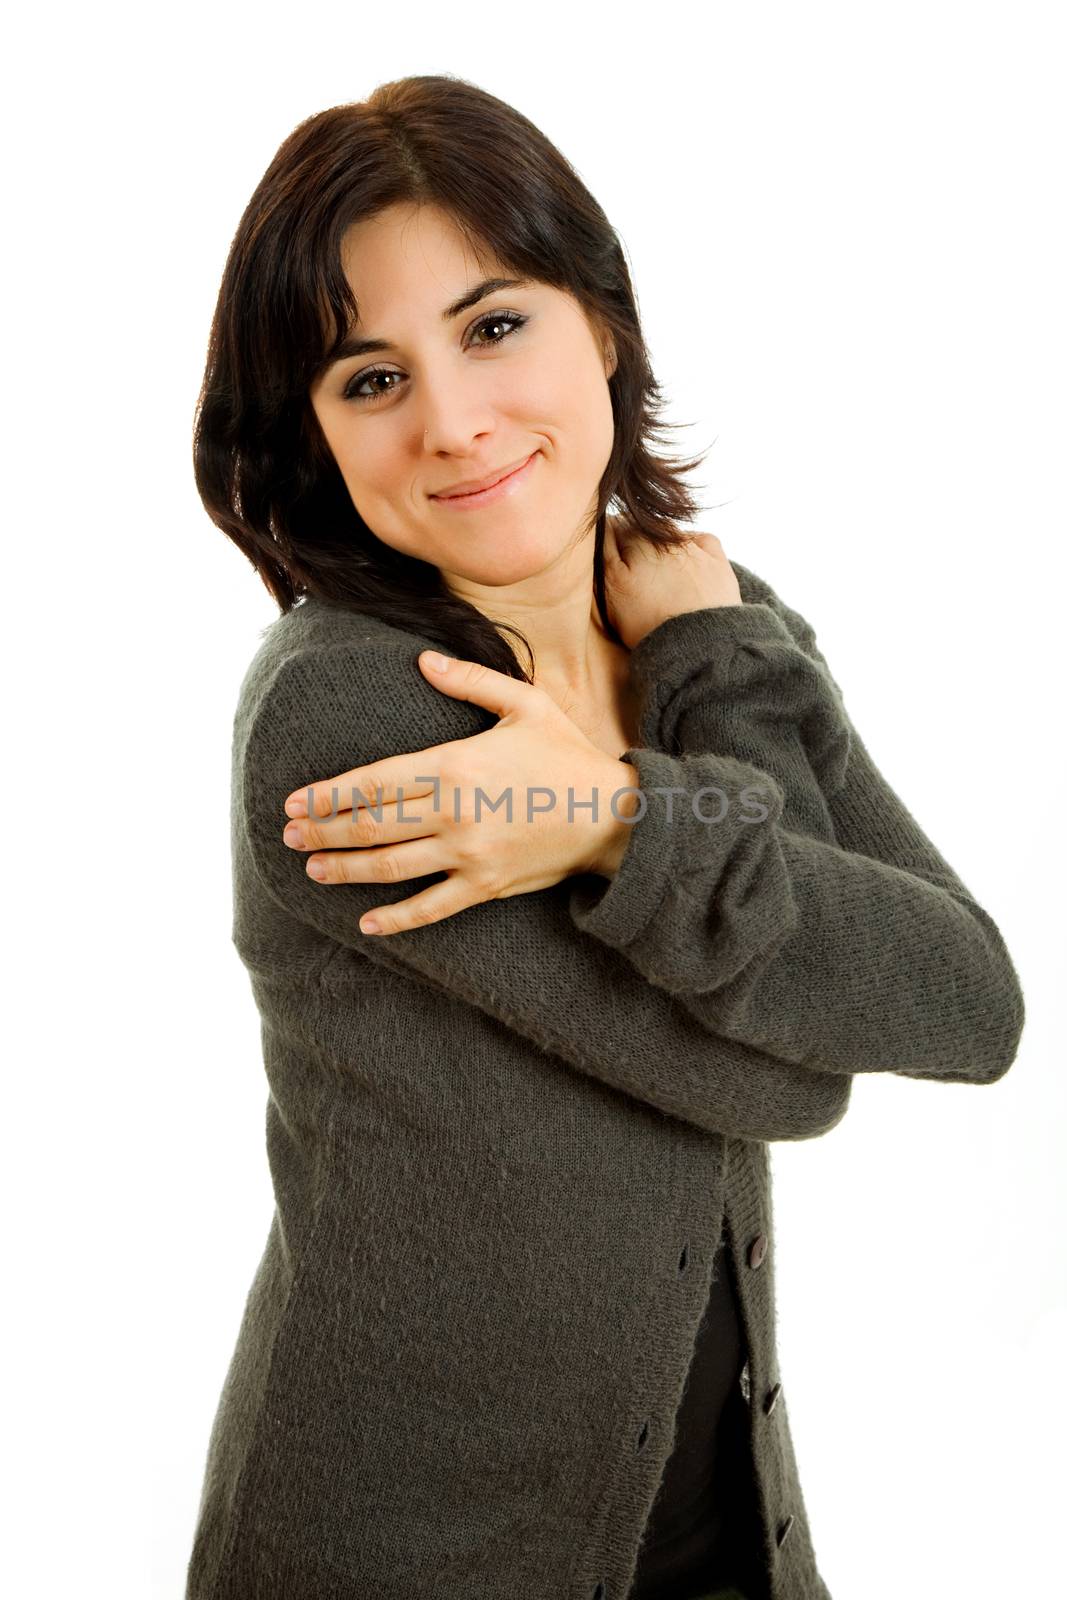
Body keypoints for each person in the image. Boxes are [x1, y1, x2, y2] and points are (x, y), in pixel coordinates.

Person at [185, 75, 1026, 1600]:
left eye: (494, 326)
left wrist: (635, 784)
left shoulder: (710, 626)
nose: (453, 421)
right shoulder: (352, 719)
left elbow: (970, 1002)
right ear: (313, 436)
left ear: (604, 325)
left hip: (725, 1525)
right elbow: (783, 1071)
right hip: (410, 1557)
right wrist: (648, 810)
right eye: (369, 379)